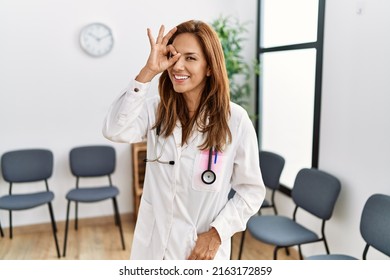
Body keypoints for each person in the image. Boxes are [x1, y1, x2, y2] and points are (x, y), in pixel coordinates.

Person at [102, 19, 265, 260]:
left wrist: (217, 233)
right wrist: (148, 71)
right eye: (174, 56)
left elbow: (251, 191)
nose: (178, 66)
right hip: (153, 247)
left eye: (190, 58)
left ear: (209, 67)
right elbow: (115, 129)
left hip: (199, 251)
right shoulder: (157, 110)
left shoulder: (235, 120)